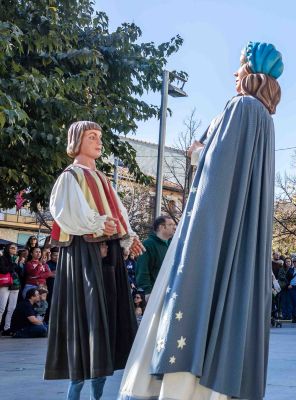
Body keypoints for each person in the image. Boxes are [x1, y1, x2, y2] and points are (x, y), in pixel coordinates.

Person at [119, 41, 282, 400]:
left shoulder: (240, 108)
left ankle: (180, 387)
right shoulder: (264, 122)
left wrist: (198, 152)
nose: (235, 73)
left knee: (193, 294)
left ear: (251, 71)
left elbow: (216, 176)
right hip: (234, 235)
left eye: (240, 65)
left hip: (211, 229)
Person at [44, 121, 143, 400]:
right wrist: (98, 225)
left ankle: (97, 393)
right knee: (86, 319)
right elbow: (66, 213)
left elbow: (118, 212)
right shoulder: (70, 177)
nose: (98, 142)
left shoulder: (101, 178)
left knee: (107, 321)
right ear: (77, 141)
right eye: (92, 137)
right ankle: (75, 391)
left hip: (107, 258)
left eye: (99, 137)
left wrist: (127, 237)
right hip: (83, 256)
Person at [134, 215, 175, 298]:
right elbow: (142, 270)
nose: (174, 227)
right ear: (161, 227)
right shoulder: (147, 244)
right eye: (171, 225)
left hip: (171, 292)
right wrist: (147, 292)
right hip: (154, 294)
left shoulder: (173, 244)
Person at [0, 243, 20, 336]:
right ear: (7, 249)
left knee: (12, 308)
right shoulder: (2, 258)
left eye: (15, 248)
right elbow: (4, 270)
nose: (14, 250)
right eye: (12, 248)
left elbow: (21, 273)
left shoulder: (17, 258)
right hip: (5, 284)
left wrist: (19, 264)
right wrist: (14, 264)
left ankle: (7, 328)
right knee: (2, 307)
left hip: (15, 285)